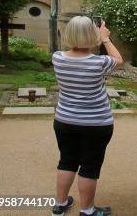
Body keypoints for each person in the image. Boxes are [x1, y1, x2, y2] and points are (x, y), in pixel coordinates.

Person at [51, 16, 123, 216]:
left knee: (66, 161)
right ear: (93, 35)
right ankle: (87, 210)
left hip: (64, 121)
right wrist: (106, 38)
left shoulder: (57, 57)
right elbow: (119, 60)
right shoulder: (100, 62)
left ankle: (60, 204)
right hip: (96, 124)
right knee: (89, 166)